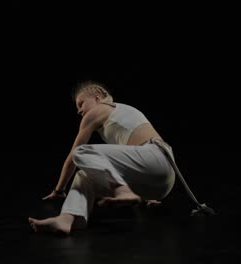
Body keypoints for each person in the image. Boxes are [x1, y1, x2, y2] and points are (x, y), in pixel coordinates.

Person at [28, 81, 175, 235]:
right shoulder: (120, 113)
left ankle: (122, 191)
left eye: (81, 103)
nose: (78, 111)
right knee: (83, 176)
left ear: (97, 98)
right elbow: (131, 159)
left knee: (81, 152)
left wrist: (59, 189)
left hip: (155, 157)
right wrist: (147, 195)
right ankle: (67, 218)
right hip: (159, 183)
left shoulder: (100, 110)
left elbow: (73, 156)